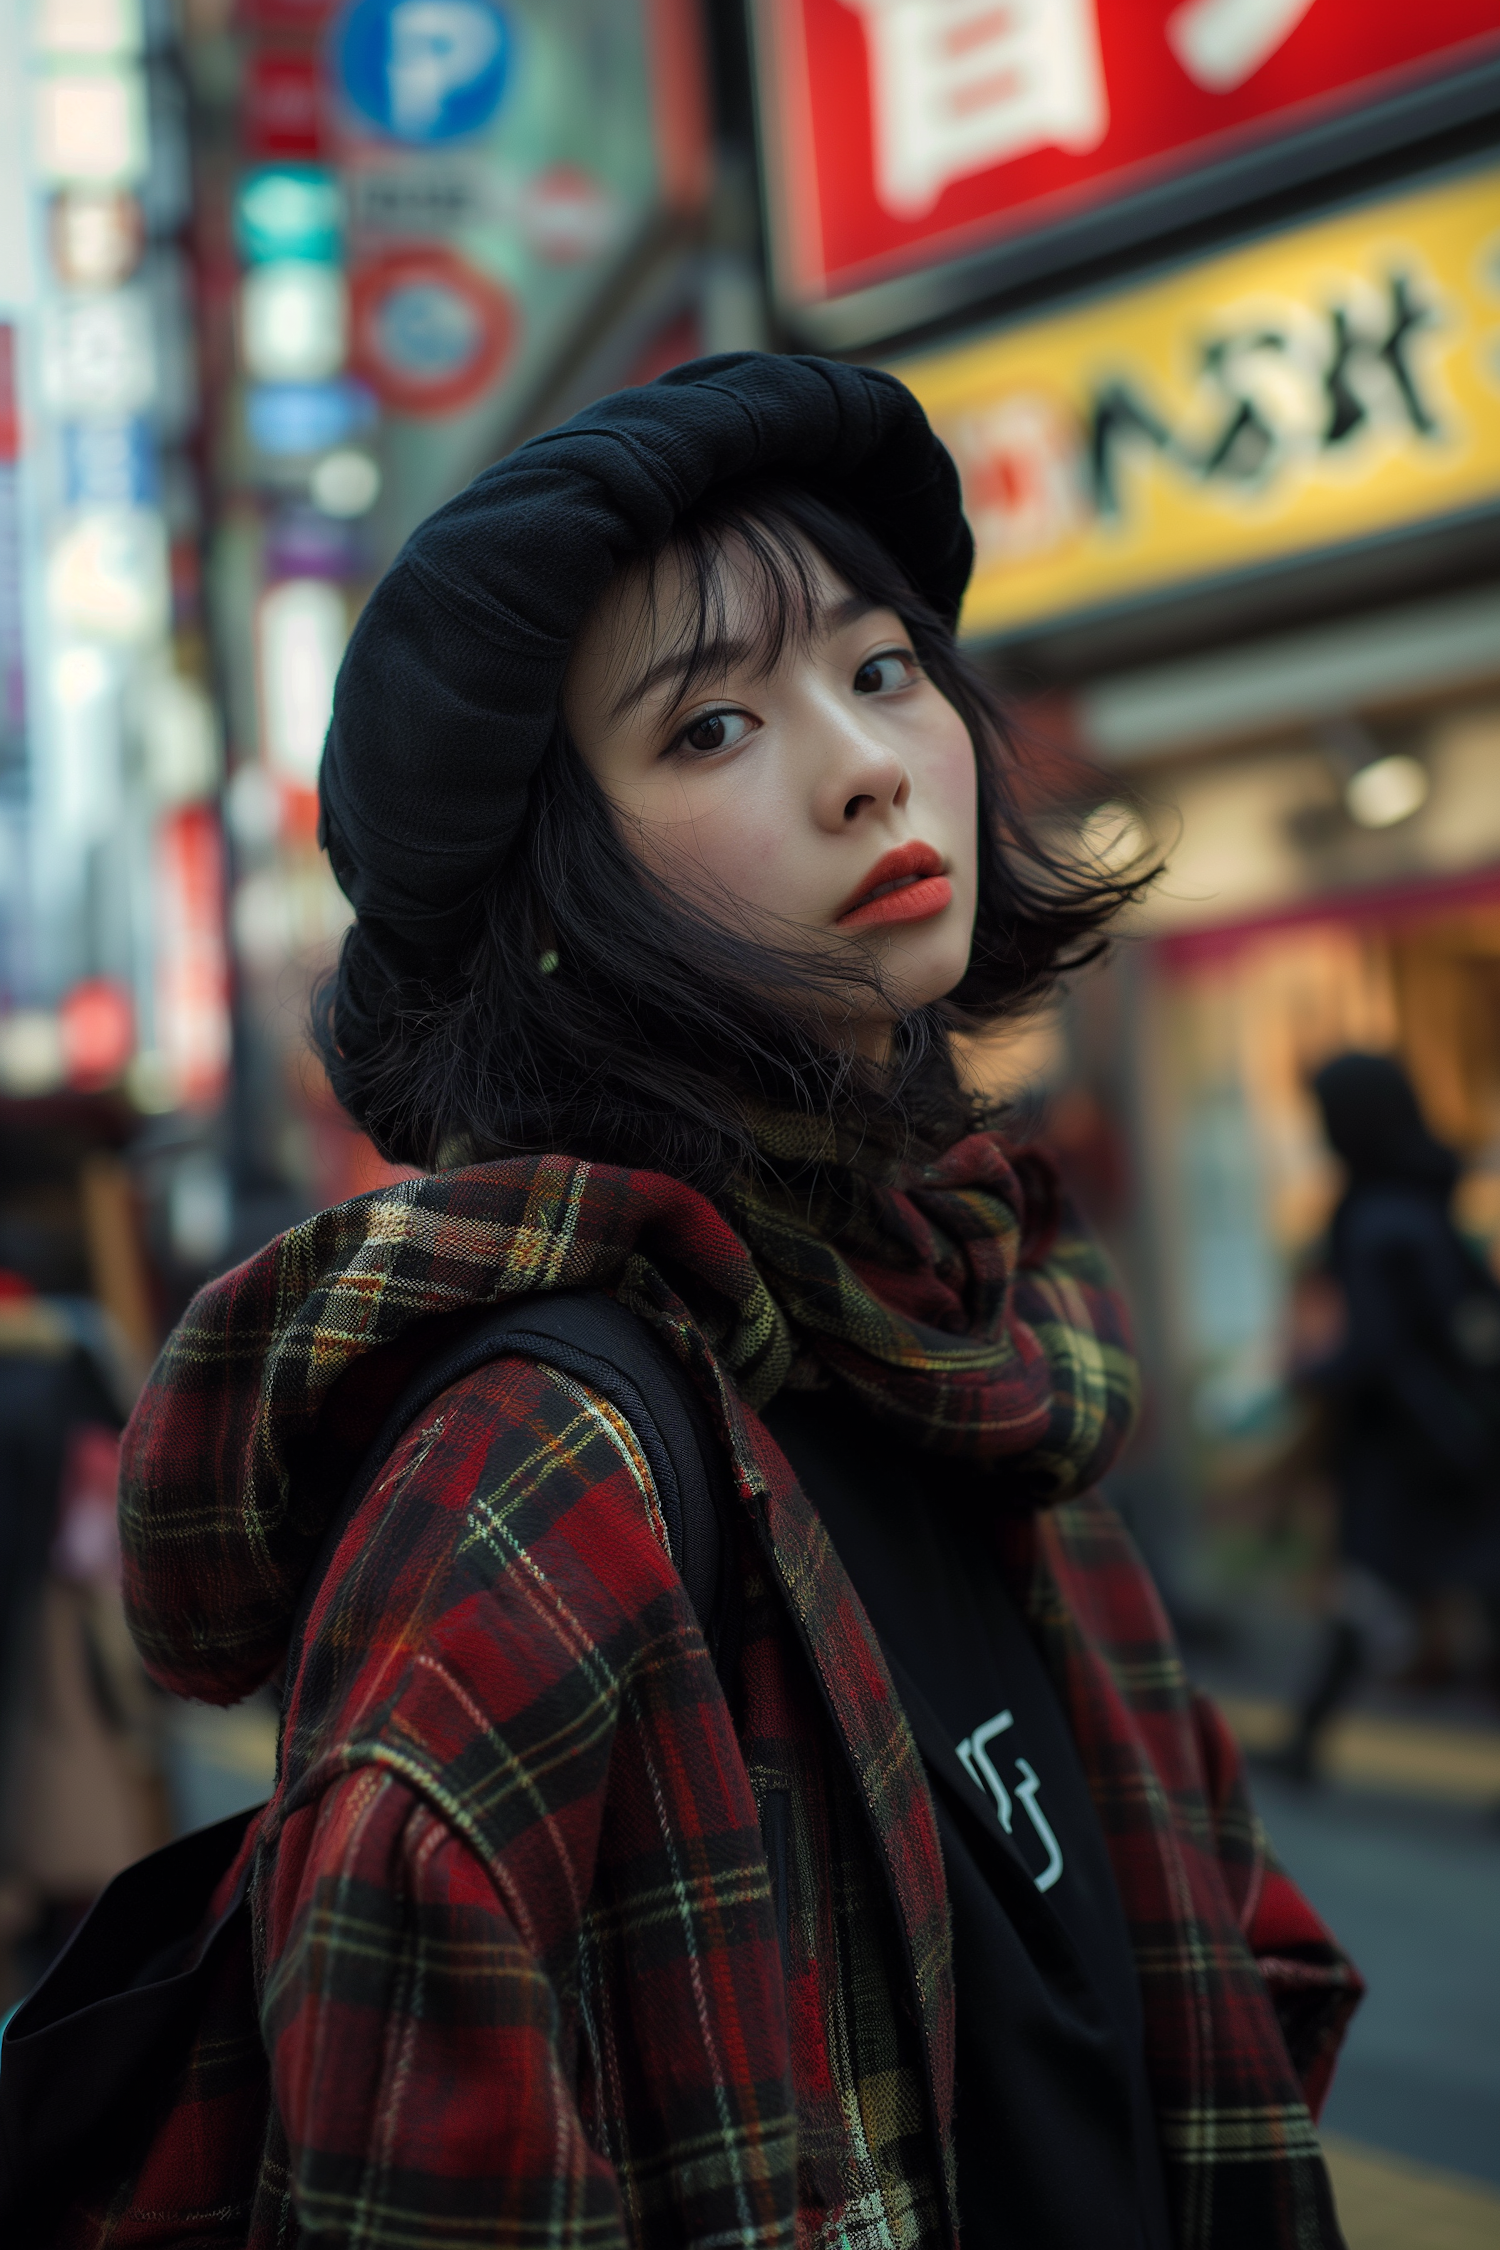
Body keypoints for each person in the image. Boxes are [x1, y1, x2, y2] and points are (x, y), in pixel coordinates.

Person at [116, 356, 1358, 2249]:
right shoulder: (540, 1463)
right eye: (707, 730)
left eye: (878, 670)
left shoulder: (990, 1342)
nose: (867, 758)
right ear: (552, 887)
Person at [1282, 1051, 1500, 1775]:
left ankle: (1305, 1743)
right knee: (1416, 1591)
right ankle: (1305, 1741)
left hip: (1410, 1446)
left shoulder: (1372, 1216)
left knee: (1372, 1588)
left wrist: (1310, 1373)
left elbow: (1374, 1346)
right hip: (1451, 1435)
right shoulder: (1425, 1195)